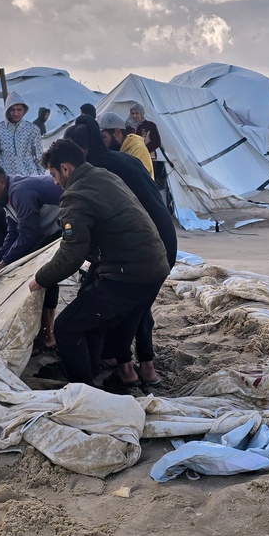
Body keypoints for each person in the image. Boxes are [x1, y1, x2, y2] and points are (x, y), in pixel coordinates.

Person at [29, 139, 170, 388]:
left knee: (66, 327)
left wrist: (40, 279)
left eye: (53, 174)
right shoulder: (102, 175)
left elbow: (72, 254)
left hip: (129, 273)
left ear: (65, 168)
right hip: (155, 264)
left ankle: (82, 388)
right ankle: (93, 370)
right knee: (91, 319)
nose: (54, 182)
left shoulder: (75, 196)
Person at [65, 115, 177, 387]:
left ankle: (125, 367)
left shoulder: (95, 169)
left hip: (144, 245)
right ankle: (145, 366)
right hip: (166, 238)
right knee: (139, 304)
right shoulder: (124, 159)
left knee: (121, 303)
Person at [0, 163, 63, 349]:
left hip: (63, 228)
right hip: (48, 231)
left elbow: (29, 236)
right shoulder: (5, 198)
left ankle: (48, 334)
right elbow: (13, 234)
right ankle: (44, 331)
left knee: (45, 276)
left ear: (1, 181)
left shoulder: (20, 192)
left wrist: (0, 268)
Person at [0, 91, 43, 177]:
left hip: (30, 176)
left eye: (19, 110)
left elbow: (39, 156)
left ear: (24, 110)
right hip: (7, 178)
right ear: (7, 110)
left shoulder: (32, 129)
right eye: (12, 110)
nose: (16, 113)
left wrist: (40, 176)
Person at [98, 111, 154, 180]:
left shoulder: (138, 150)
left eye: (103, 137)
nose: (101, 142)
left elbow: (136, 182)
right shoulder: (118, 151)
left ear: (117, 132)